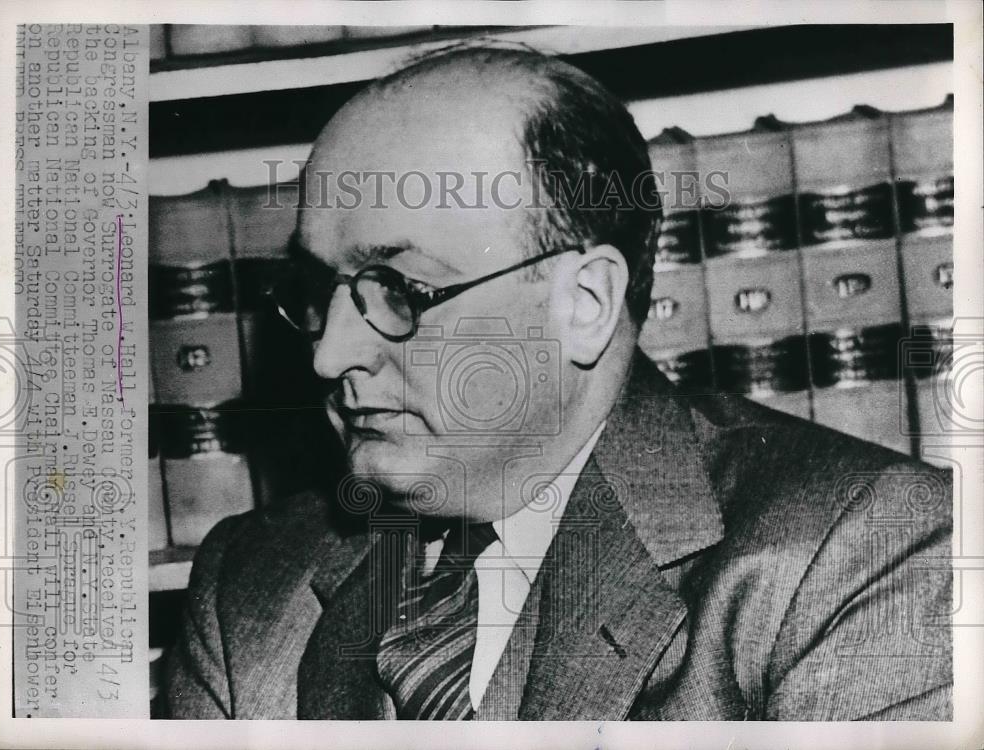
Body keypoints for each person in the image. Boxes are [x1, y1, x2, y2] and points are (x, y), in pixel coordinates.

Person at [164, 43, 952, 720]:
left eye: (399, 291)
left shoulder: (864, 553)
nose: (329, 356)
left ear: (584, 304)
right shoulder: (249, 584)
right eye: (318, 292)